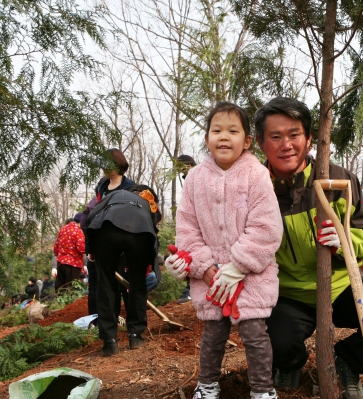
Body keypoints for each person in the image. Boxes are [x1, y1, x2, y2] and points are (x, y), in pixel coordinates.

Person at [253, 97, 363, 398]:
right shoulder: (254, 190)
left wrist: (344, 242)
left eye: (294, 134)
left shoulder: (338, 179)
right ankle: (290, 363)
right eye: (275, 136)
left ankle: (350, 359)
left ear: (310, 139)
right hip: (287, 295)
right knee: (274, 340)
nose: (286, 144)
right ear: (261, 143)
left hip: (341, 286)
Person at [165, 102, 283, 399]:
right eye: (216, 130)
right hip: (210, 279)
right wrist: (203, 268)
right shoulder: (195, 179)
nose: (223, 137)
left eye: (233, 131)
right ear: (206, 138)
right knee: (213, 334)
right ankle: (206, 386)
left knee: (254, 333)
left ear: (246, 141)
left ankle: (262, 390)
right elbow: (188, 229)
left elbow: (266, 228)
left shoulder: (256, 175)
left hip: (250, 275)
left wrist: (238, 265)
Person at [85, 148, 162, 356]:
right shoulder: (102, 187)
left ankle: (110, 340)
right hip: (128, 233)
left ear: (119, 165)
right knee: (131, 282)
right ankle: (134, 335)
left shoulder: (133, 187)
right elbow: (91, 213)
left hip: (119, 232)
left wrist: (91, 246)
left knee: (109, 283)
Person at [174, 154, 197, 304]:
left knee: (194, 255)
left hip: (200, 224)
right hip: (191, 223)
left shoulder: (198, 176)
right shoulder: (189, 178)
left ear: (188, 165)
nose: (178, 171)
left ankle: (191, 291)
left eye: (180, 167)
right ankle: (190, 290)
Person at [53, 213, 86, 291]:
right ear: (81, 222)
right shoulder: (78, 231)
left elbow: (56, 247)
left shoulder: (63, 229)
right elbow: (81, 248)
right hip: (73, 264)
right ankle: (70, 302)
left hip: (60, 263)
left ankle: (61, 303)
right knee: (71, 289)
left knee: (61, 288)